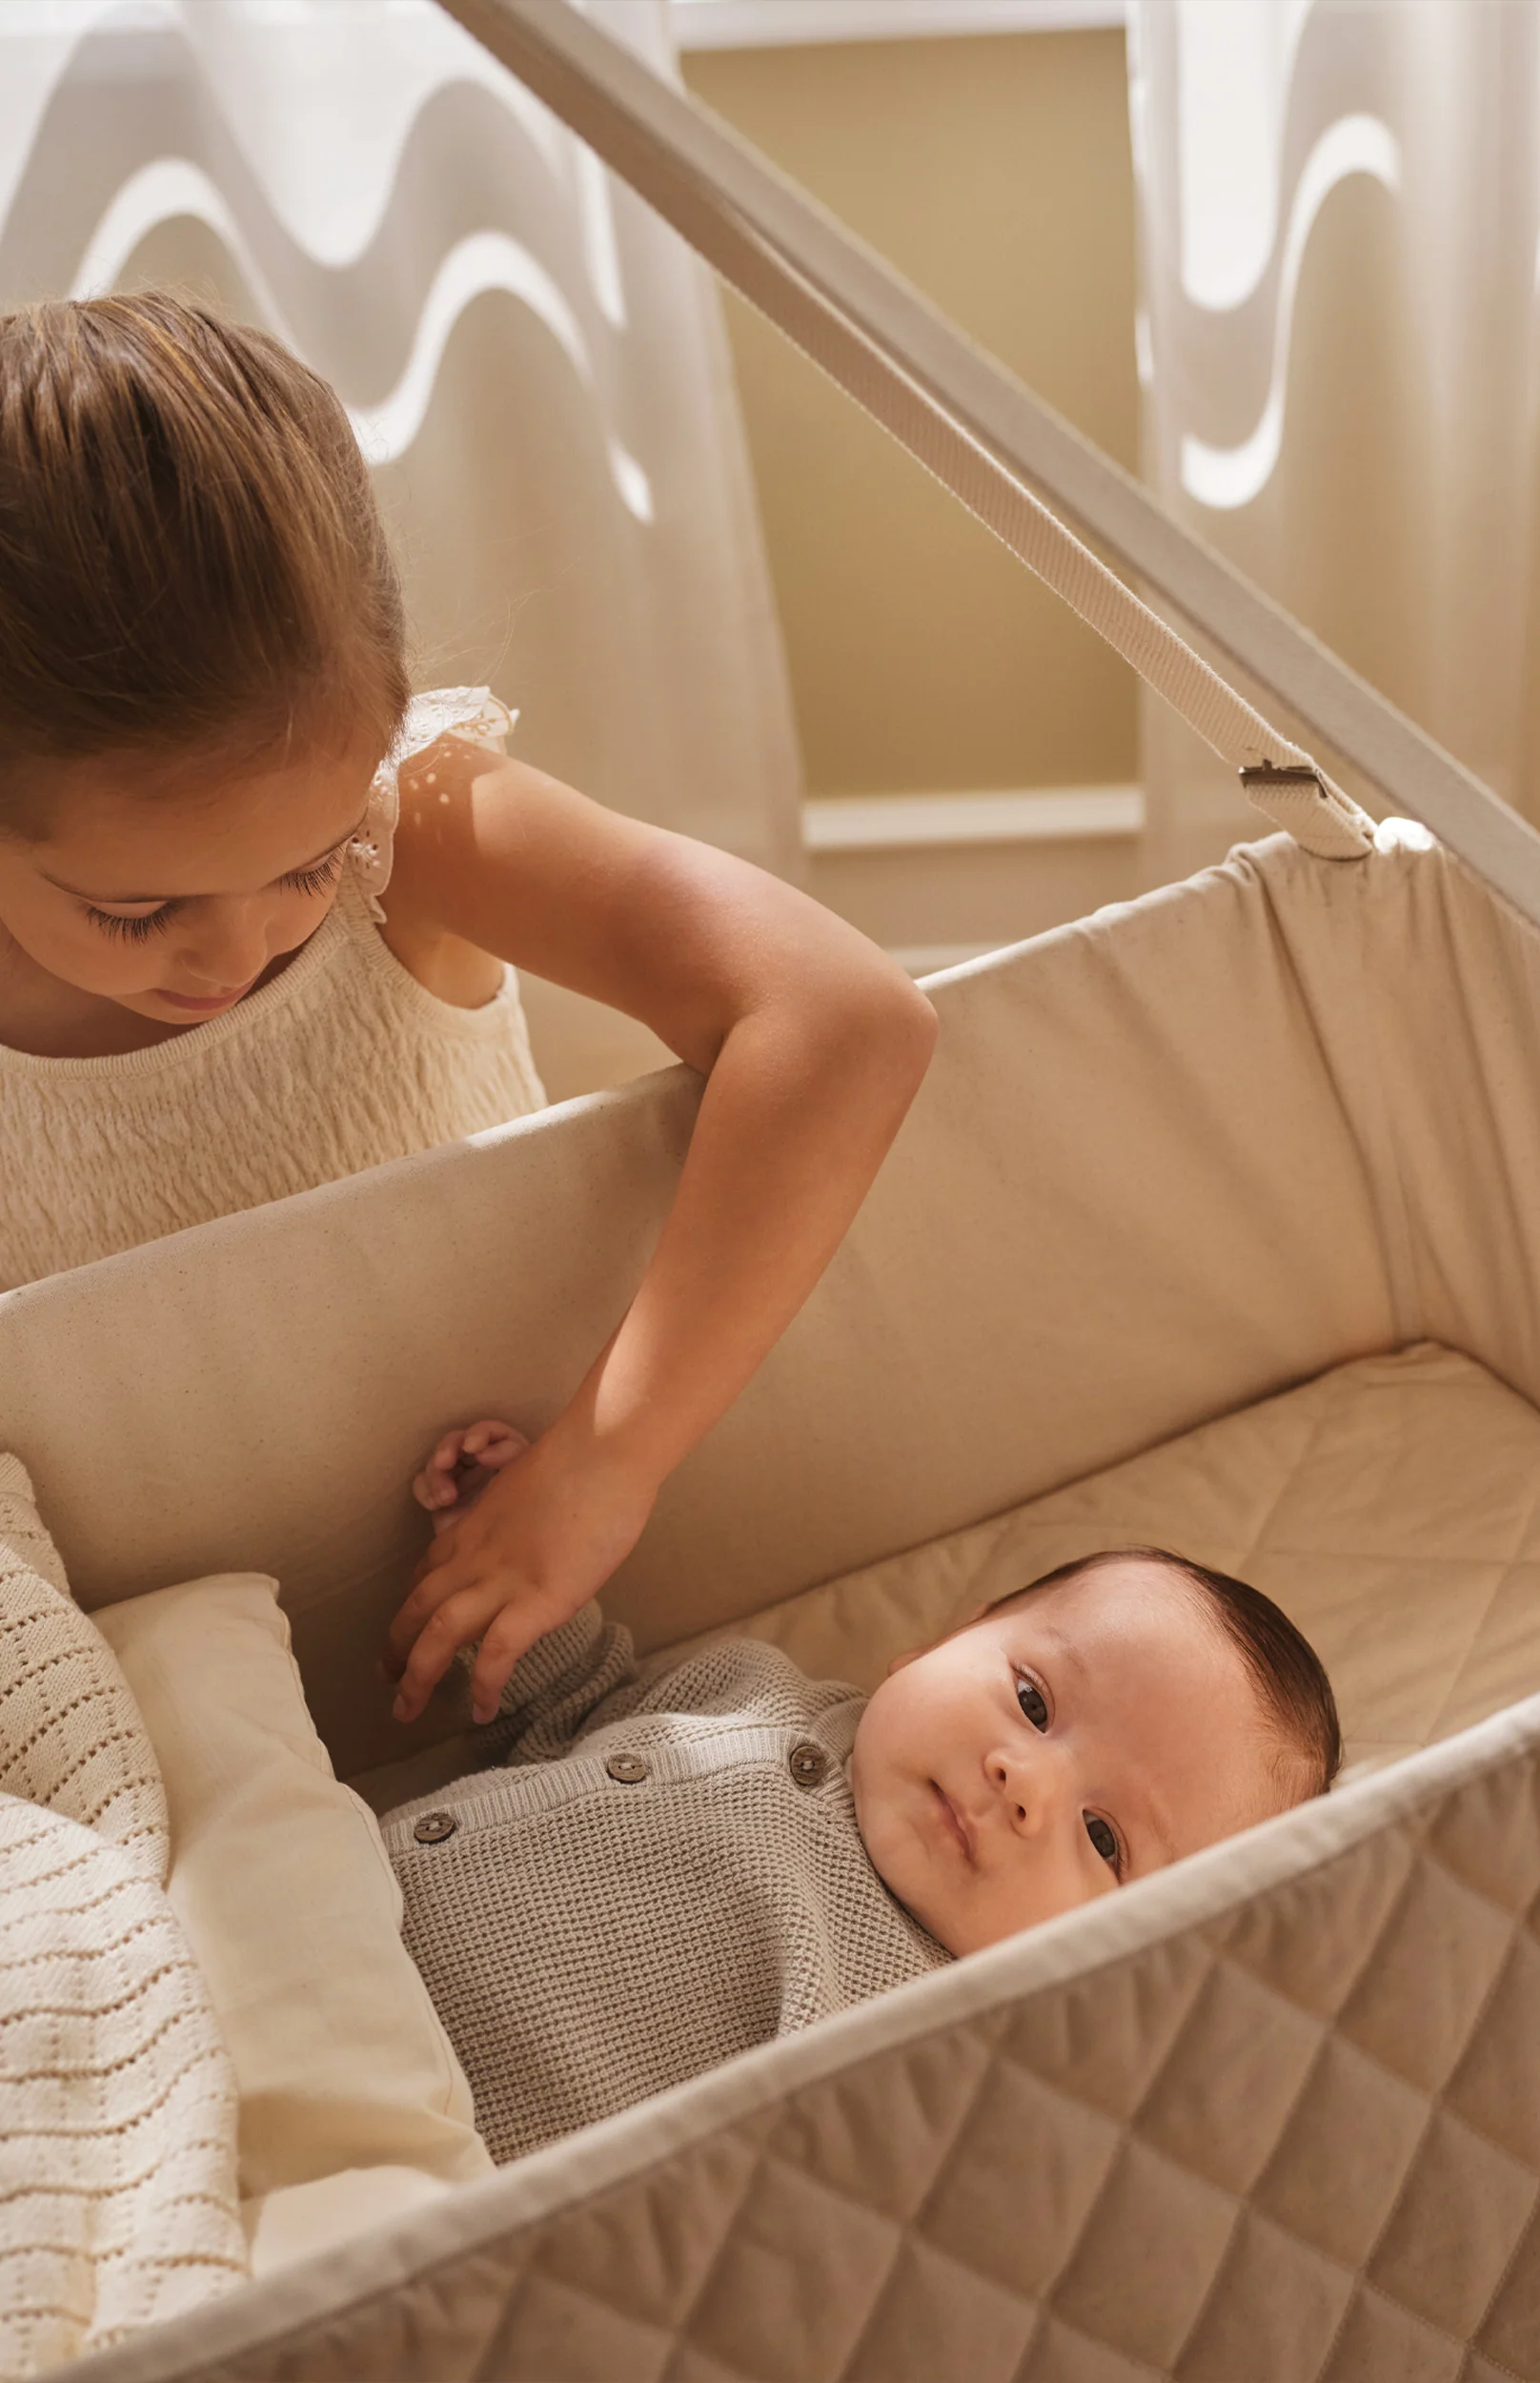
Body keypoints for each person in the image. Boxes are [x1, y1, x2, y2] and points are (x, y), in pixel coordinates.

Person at [0, 293, 938, 1728]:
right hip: (143, 1692)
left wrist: (609, 1459)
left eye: (302, 868)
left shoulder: (415, 821)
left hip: (543, 1627)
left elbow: (845, 1015)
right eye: (134, 912)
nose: (236, 951)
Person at [390, 1423, 1342, 2162]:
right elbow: (568, 1708)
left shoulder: (911, 2046)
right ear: (938, 1643)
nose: (1025, 1785)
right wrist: (510, 1585)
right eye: (1030, 1700)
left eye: (1102, 1839)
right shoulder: (748, 1687)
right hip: (319, 1906)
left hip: (411, 2152)